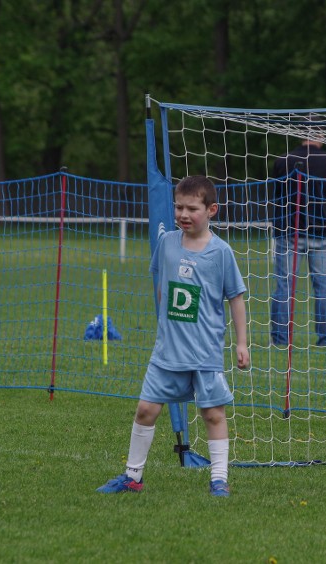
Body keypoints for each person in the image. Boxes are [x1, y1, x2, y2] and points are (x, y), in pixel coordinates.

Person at [97, 176, 250, 497]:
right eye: (179, 207)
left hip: (204, 351)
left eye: (191, 208)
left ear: (211, 210)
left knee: (212, 413)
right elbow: (160, 283)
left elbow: (236, 297)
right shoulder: (166, 243)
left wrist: (241, 342)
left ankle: (219, 478)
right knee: (145, 410)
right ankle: (132, 476)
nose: (183, 214)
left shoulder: (221, 253)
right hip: (167, 351)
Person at [270, 126, 326, 347]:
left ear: (301, 133)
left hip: (288, 231)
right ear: (322, 134)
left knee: (284, 285)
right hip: (321, 231)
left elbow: (277, 195)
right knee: (323, 286)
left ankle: (280, 339)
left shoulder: (282, 160)